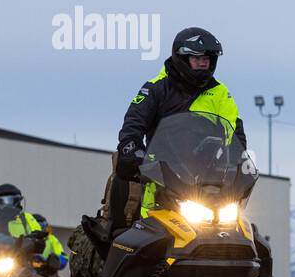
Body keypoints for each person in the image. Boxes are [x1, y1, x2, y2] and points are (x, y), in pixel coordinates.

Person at [105, 27, 248, 238]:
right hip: (161, 178)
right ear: (182, 57)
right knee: (130, 237)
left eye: (208, 58)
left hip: (208, 182)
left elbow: (236, 135)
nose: (203, 62)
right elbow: (134, 123)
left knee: (252, 241)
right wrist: (131, 147)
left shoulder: (220, 94)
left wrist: (239, 164)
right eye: (196, 57)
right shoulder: (156, 88)